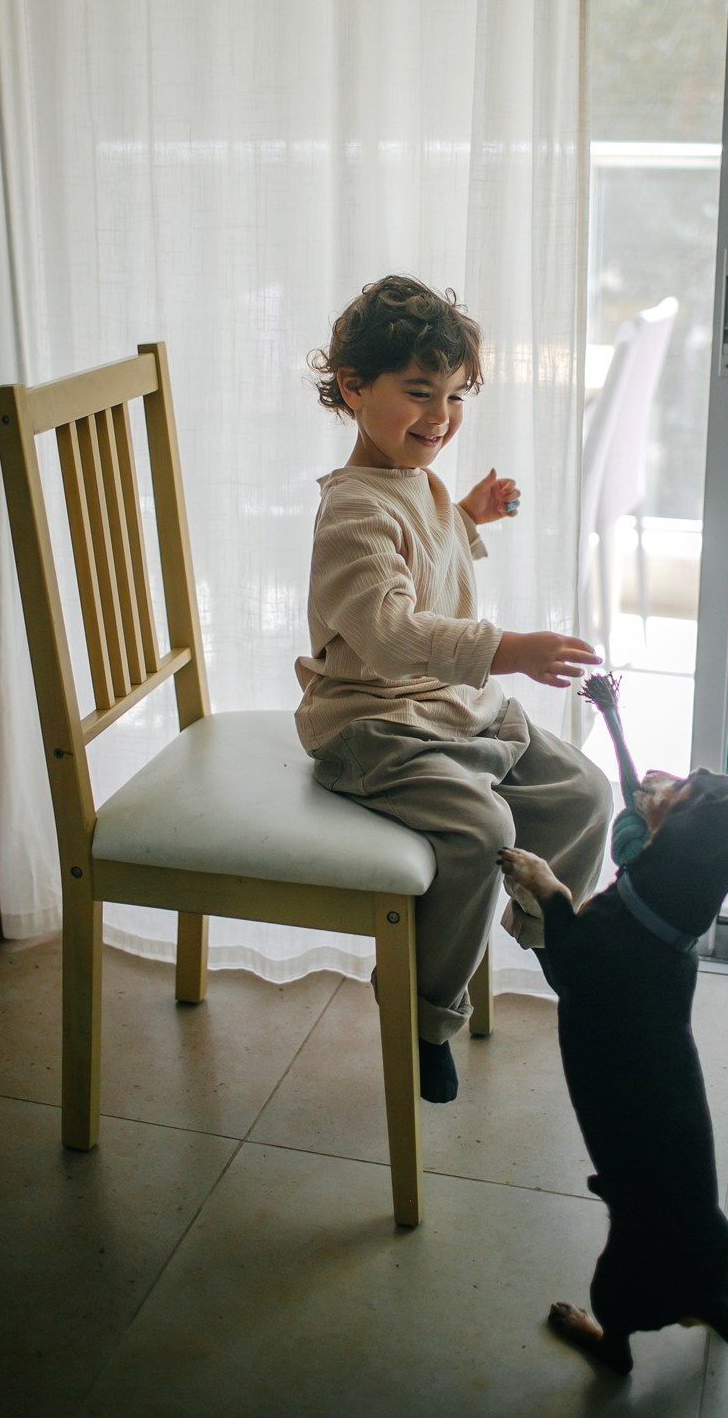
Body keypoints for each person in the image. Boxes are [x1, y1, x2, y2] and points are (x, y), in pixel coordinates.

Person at [295, 274, 612, 1103]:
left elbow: (424, 557)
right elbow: (394, 633)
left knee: (583, 792)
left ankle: (545, 933)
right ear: (354, 390)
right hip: (374, 725)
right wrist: (510, 649)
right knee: (479, 830)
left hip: (449, 711)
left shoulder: (416, 478)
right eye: (418, 393)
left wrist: (467, 517)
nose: (439, 416)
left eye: (454, 395)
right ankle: (422, 1014)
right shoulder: (351, 510)